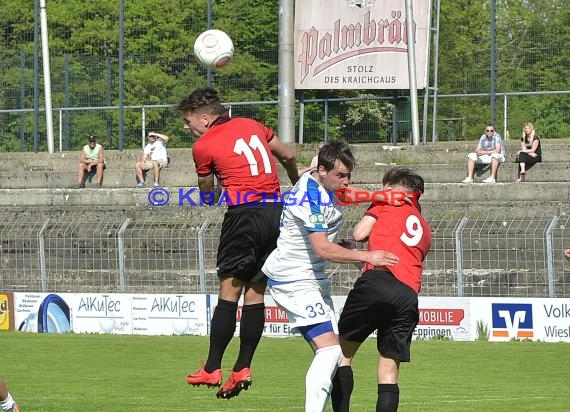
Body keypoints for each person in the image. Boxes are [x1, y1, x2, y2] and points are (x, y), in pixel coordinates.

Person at [178, 87, 299, 399]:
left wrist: (211, 188)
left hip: (244, 215)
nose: (187, 128)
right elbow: (287, 155)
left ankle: (212, 368)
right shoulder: (253, 124)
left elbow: (209, 195)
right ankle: (243, 366)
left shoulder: (203, 145)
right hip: (275, 211)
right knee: (256, 292)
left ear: (205, 119)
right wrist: (296, 181)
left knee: (229, 291)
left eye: (189, 122)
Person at [262, 141, 401, 412]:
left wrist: (383, 197)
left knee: (334, 354)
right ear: (322, 171)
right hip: (293, 278)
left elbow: (348, 197)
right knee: (330, 351)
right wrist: (367, 256)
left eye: (349, 175)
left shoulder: (328, 185)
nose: (346, 182)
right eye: (341, 175)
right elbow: (323, 248)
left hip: (312, 278)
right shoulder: (309, 196)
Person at [331, 167, 432, 412]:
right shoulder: (426, 231)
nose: (382, 191)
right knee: (389, 372)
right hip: (407, 296)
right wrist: (358, 256)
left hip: (377, 282)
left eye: (386, 187)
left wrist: (354, 247)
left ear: (396, 189)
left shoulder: (387, 203)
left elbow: (360, 232)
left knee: (340, 356)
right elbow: (396, 265)